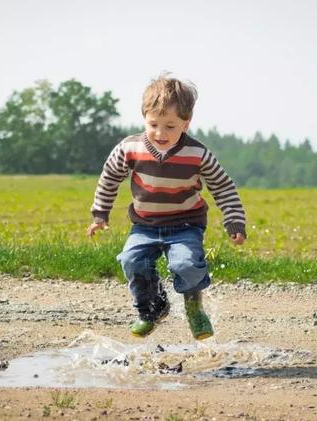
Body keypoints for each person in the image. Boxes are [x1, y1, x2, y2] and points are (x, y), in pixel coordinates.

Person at [87, 74, 246, 340]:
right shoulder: (130, 148)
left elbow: (223, 187)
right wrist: (100, 214)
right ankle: (153, 308)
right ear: (144, 117)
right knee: (131, 261)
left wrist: (234, 220)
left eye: (170, 126)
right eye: (154, 124)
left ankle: (194, 306)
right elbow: (109, 177)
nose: (161, 133)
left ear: (186, 123)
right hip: (145, 225)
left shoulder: (198, 154)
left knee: (186, 265)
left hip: (186, 225)